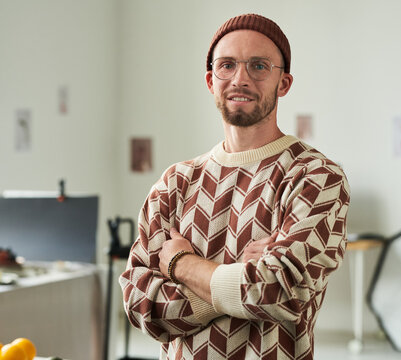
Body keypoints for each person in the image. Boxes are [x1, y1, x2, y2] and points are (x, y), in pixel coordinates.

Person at [119, 13, 350, 360]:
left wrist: (182, 265)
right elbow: (140, 304)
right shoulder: (175, 183)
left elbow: (280, 292)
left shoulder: (314, 176)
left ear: (283, 83)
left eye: (259, 66)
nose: (240, 79)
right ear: (211, 80)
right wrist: (239, 276)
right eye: (227, 65)